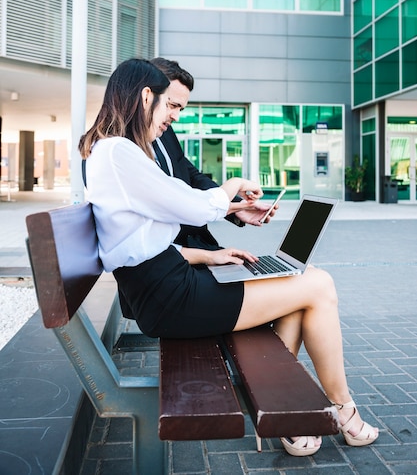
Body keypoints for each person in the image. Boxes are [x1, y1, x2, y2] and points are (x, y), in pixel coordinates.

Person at [79, 58, 378, 457]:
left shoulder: (113, 152)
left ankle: (286, 409)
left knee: (296, 291)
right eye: (169, 104)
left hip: (169, 283)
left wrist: (207, 256)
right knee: (318, 284)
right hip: (172, 297)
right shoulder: (119, 153)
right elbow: (194, 209)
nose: (171, 116)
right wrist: (234, 185)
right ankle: (342, 411)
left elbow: (136, 242)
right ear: (146, 95)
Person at [150, 57, 273, 251]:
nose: (176, 116)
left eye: (180, 108)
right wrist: (235, 189)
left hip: (195, 246)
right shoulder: (126, 149)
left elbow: (191, 175)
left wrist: (237, 207)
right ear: (148, 95)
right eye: (171, 105)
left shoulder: (164, 131)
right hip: (176, 254)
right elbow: (179, 204)